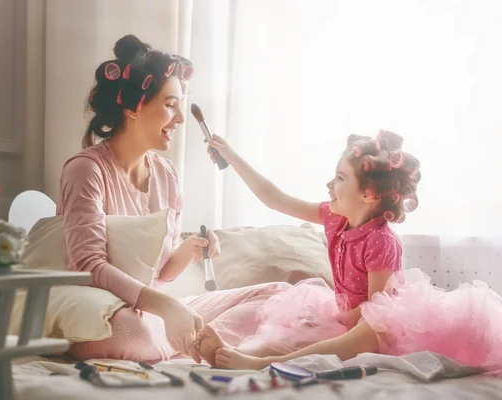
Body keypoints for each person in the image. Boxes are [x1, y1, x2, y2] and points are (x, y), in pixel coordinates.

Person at [56, 34, 290, 362]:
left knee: (277, 295)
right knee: (134, 333)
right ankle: (201, 344)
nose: (180, 118)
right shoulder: (85, 170)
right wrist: (167, 307)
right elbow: (88, 266)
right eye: (170, 105)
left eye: (180, 106)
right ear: (134, 107)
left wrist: (186, 251)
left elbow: (159, 274)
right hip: (107, 312)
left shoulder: (167, 175)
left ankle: (195, 341)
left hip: (153, 311)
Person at [194, 131, 502, 372]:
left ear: (368, 194)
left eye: (340, 178)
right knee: (297, 332)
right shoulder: (334, 218)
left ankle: (259, 364)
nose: (329, 184)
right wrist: (232, 158)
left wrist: (341, 319)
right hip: (345, 314)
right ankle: (241, 354)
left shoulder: (382, 241)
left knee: (368, 331)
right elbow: (275, 199)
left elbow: (376, 308)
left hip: (374, 320)